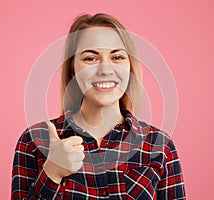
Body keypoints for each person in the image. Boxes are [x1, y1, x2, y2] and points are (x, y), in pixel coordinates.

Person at [11, 13, 186, 200]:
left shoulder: (159, 145)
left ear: (130, 66)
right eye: (90, 59)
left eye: (117, 57)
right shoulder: (34, 140)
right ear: (73, 68)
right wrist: (52, 173)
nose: (105, 69)